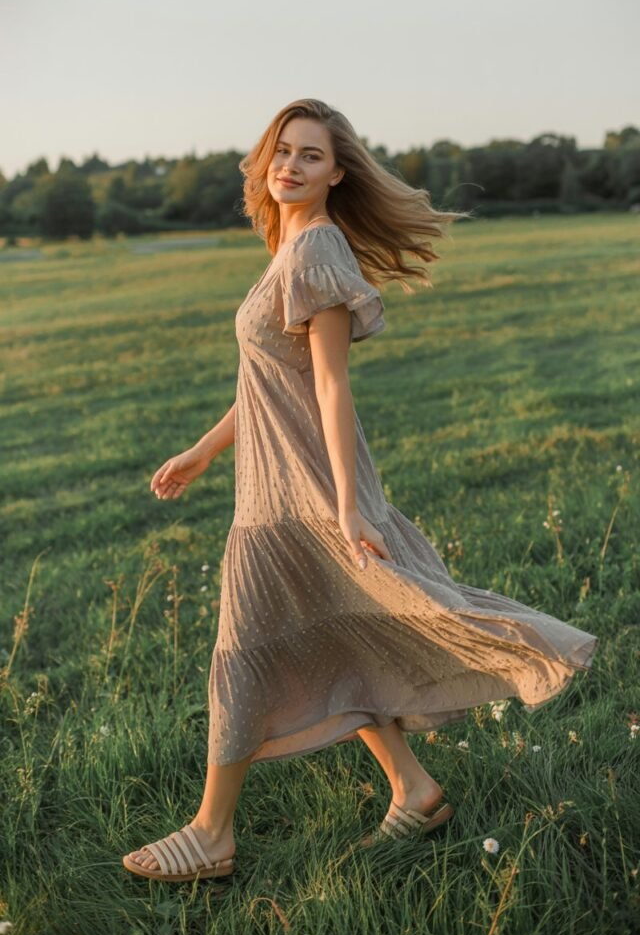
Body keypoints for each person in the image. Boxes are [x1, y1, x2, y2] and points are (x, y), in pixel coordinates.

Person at [122, 99, 598, 882]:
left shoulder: (315, 254)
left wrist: (345, 506)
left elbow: (333, 387)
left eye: (311, 155)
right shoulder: (292, 251)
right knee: (339, 634)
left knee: (242, 649)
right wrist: (203, 451)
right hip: (276, 485)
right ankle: (415, 788)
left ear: (338, 172)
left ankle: (212, 833)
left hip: (304, 492)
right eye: (282, 151)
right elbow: (270, 381)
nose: (290, 165)